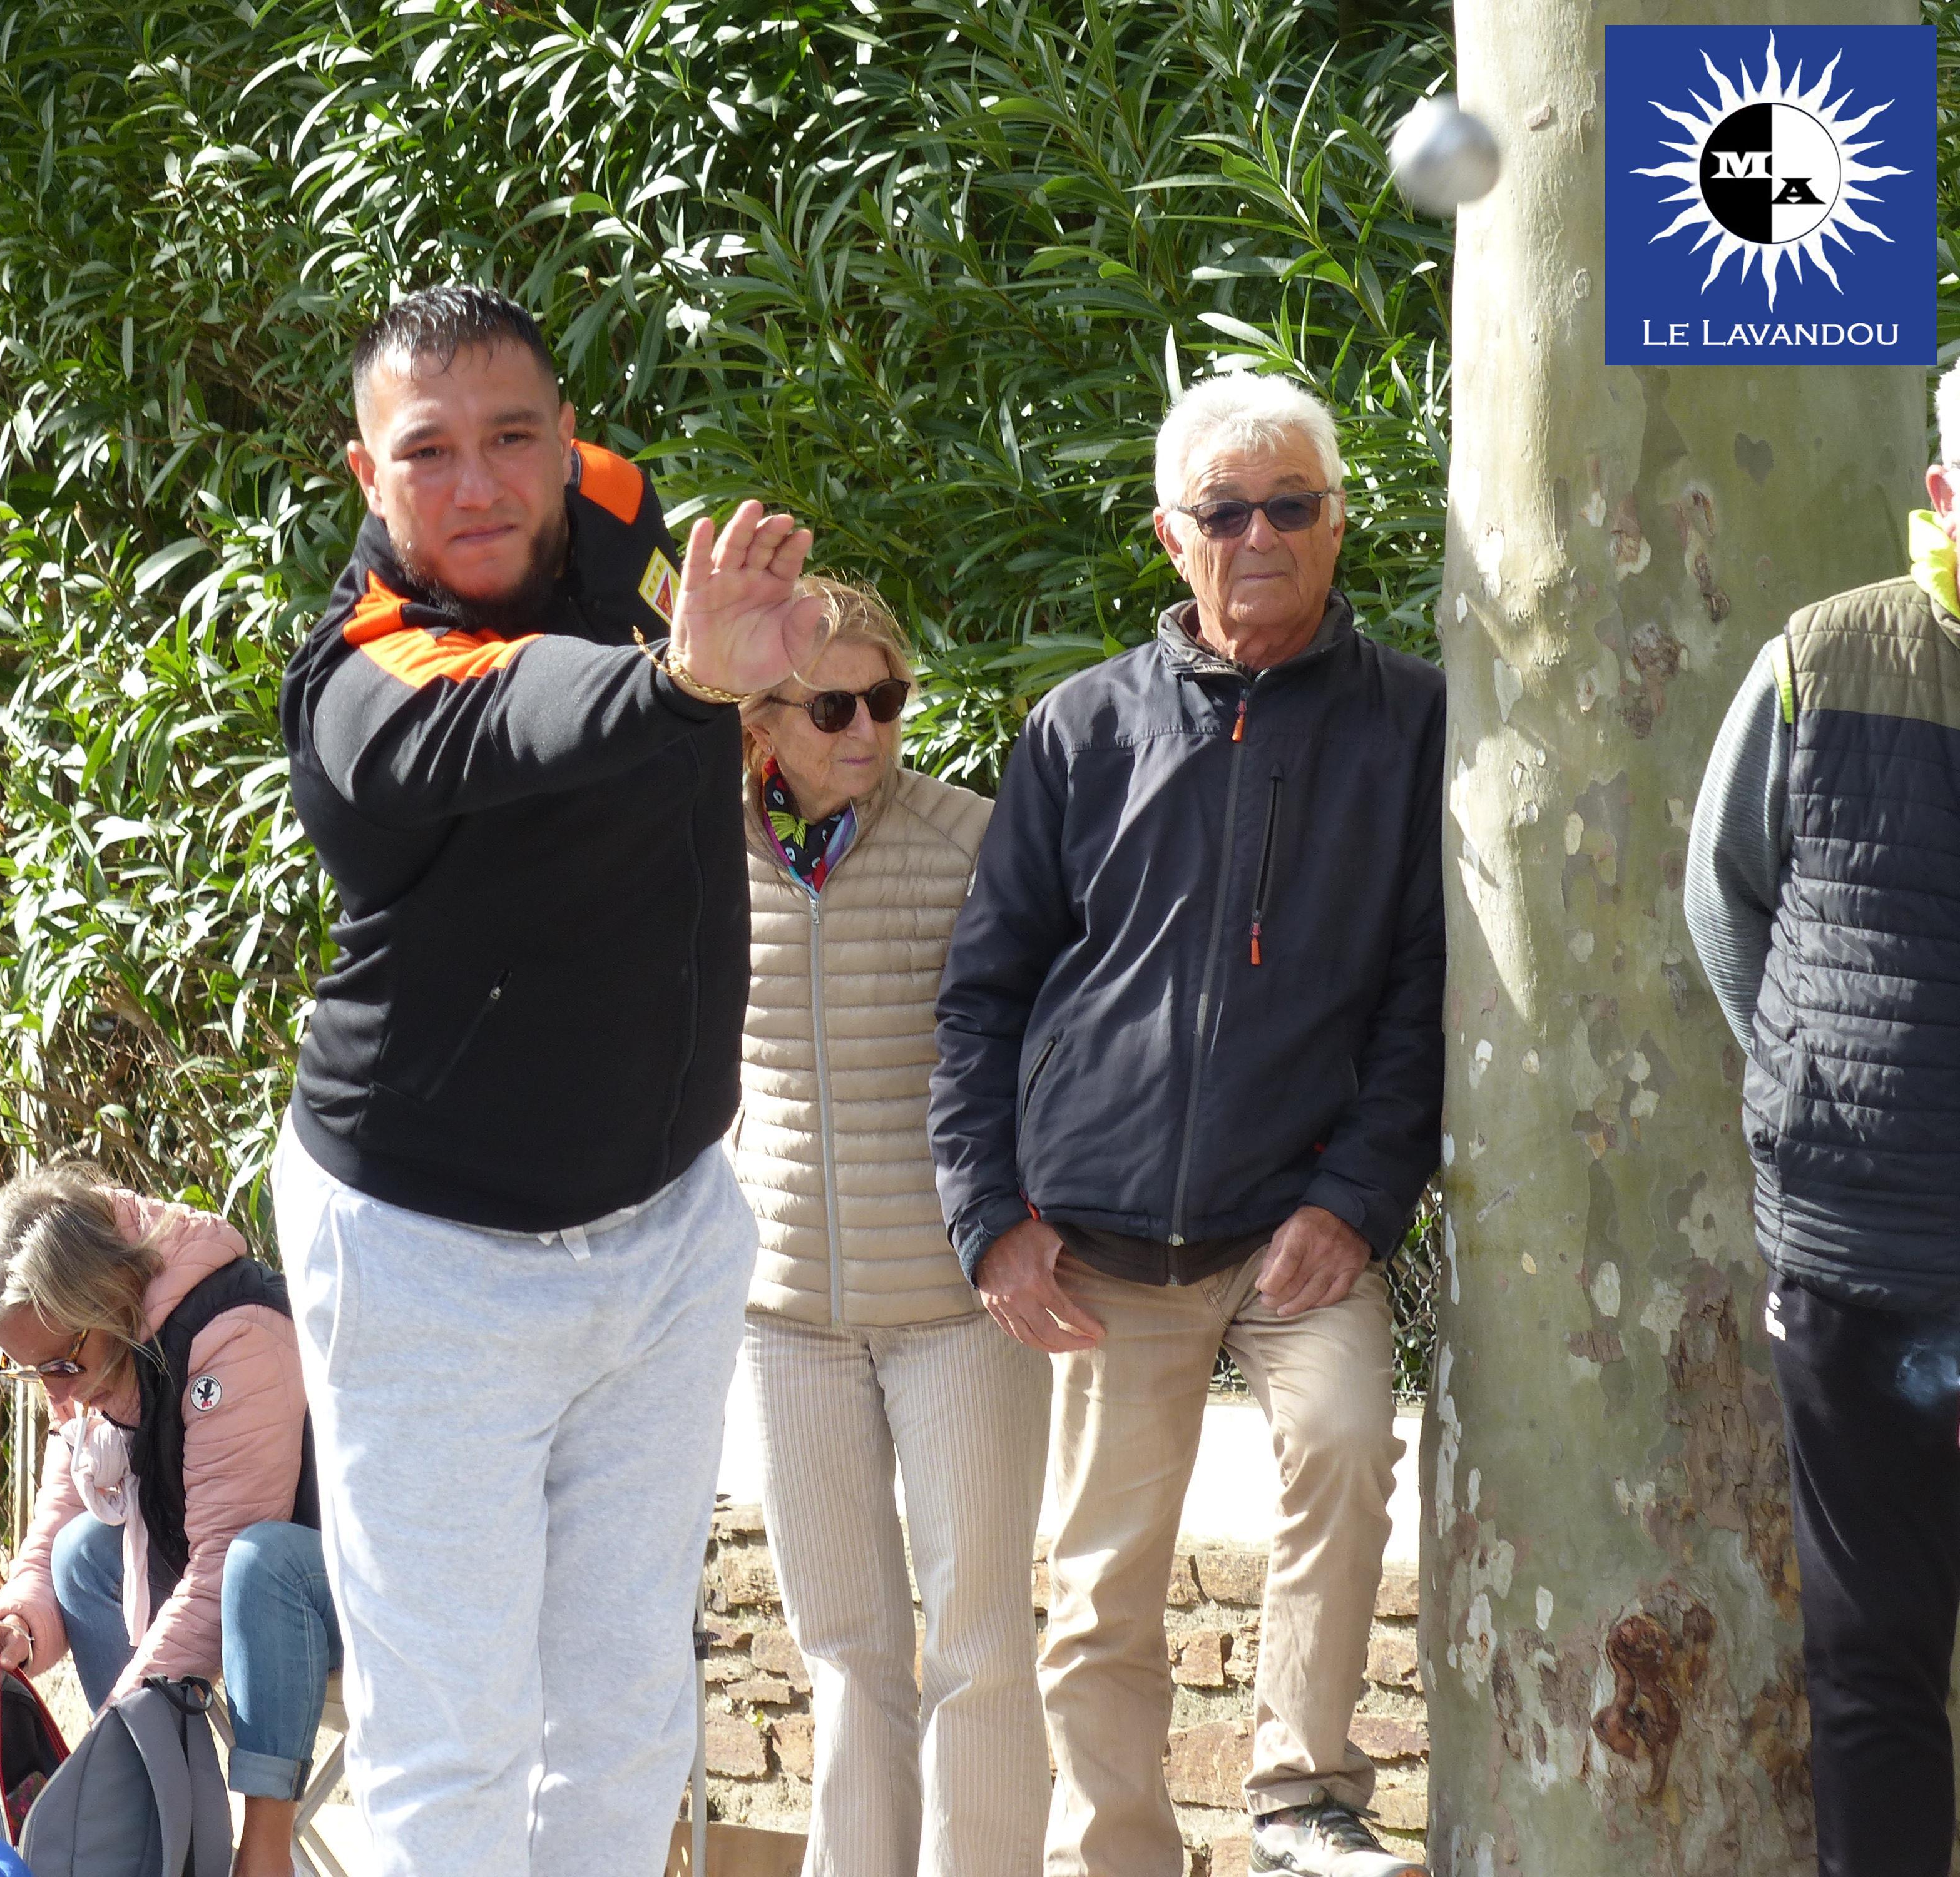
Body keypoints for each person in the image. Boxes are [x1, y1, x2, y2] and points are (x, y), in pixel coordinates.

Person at [269, 283, 824, 1877]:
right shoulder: (362, 680)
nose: (478, 484)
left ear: (566, 437)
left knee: (630, 1717)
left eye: (513, 437)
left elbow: (680, 643)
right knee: (456, 1734)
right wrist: (683, 685)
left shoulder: (620, 520)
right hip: (426, 1252)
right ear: (365, 473)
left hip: (664, 1227)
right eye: (426, 451)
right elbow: (527, 711)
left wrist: (743, 675)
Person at [931, 373, 1444, 1877]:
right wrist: (988, 1217)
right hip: (1100, 1247)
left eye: (1290, 505)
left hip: (1302, 1224)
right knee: (1098, 1590)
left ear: (1336, 521)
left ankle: (1299, 1796)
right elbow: (983, 993)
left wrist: (1357, 1197)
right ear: (1172, 536)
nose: (1259, 535)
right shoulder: (1081, 725)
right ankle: (1114, 1856)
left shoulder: (1414, 722)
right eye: (1225, 512)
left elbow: (1426, 996)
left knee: (1343, 1446)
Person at [1683, 361, 1960, 1877]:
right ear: (1940, 492)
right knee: (1871, 1666)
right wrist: (1803, 1078)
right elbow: (1722, 897)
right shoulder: (1822, 654)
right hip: (1858, 1257)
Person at [732, 578, 1050, 1877]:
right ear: (760, 721)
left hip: (957, 1307)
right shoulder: (699, 854)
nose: (867, 728)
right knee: (845, 1652)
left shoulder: (972, 839)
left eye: (887, 699)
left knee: (979, 1644)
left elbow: (1050, 1045)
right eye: (832, 708)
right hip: (785, 1315)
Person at [0, 1164, 336, 1877]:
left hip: (337, 1599)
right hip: (238, 1589)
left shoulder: (235, 1335)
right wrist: (17, 1624)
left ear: (109, 1298)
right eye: (32, 1371)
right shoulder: (86, 1348)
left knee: (260, 1563)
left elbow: (223, 1569)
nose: (57, 1392)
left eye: (63, 1365)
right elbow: (59, 1517)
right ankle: (160, 1837)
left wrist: (111, 1735)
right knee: (79, 1555)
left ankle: (263, 1852)